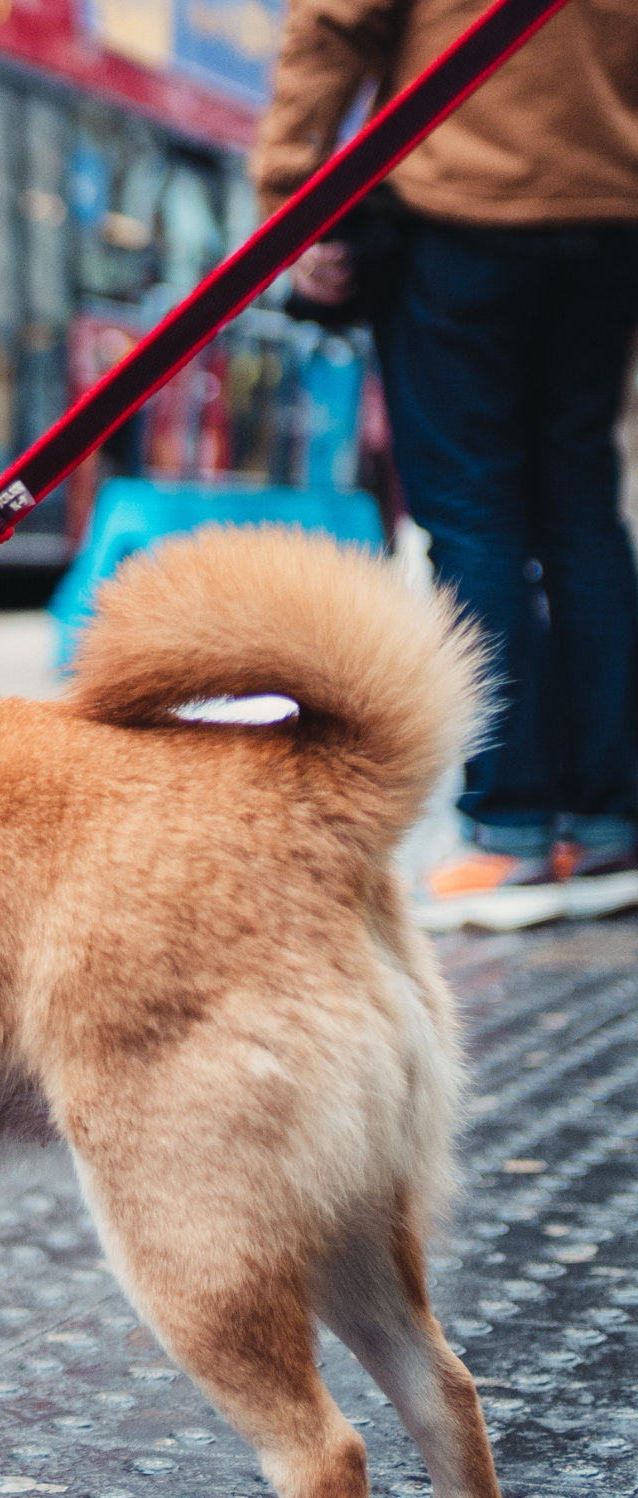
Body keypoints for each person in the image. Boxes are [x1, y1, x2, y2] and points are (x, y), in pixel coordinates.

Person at [253, 0, 638, 930]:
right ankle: (607, 822)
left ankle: (507, 831)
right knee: (584, 501)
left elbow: (337, 22)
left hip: (463, 199)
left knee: (472, 513)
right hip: (615, 199)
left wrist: (292, 196)